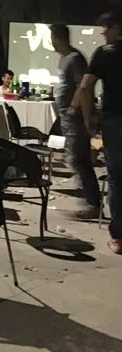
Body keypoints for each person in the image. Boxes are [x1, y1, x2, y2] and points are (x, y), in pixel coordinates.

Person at [74, 9, 122, 254]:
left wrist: (89, 118)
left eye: (107, 27)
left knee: (117, 176)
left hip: (115, 121)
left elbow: (85, 87)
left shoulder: (105, 53)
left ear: (118, 28)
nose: (103, 32)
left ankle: (119, 237)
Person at [50, 23, 100, 219]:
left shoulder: (75, 58)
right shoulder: (64, 59)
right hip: (66, 116)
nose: (52, 43)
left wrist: (75, 108)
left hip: (74, 117)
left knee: (81, 158)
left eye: (52, 39)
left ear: (58, 38)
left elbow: (83, 87)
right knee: (75, 157)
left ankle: (93, 203)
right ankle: (88, 198)